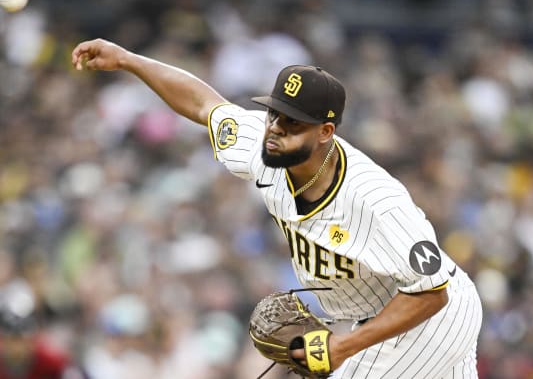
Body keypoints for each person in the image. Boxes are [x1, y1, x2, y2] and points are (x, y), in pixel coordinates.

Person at [71, 38, 483, 378]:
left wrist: (344, 345)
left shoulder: (375, 200)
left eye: (292, 123)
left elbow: (432, 293)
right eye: (274, 114)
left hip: (431, 314)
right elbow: (203, 105)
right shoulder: (261, 145)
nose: (275, 130)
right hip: (380, 313)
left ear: (325, 132)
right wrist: (127, 59)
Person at [0, 309, 83, 379]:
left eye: (21, 341)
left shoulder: (50, 361)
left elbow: (71, 373)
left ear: (32, 341)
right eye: (10, 340)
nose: (16, 348)